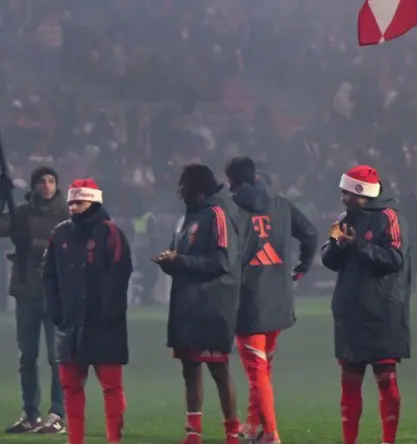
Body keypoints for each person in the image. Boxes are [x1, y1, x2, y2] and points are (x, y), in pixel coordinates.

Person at [226, 157, 317, 444]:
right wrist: (302, 267)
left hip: (249, 304)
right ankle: (254, 425)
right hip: (278, 301)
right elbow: (311, 234)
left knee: (257, 372)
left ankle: (271, 434)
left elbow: (227, 258)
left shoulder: (232, 210)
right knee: (264, 369)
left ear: (232, 182)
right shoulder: (280, 203)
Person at [321, 165, 411, 444]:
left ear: (361, 192)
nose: (342, 196)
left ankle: (388, 440)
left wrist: (357, 244)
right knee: (349, 379)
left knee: (385, 378)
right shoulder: (342, 218)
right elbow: (328, 259)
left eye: (346, 191)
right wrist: (338, 245)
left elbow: (394, 259)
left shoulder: (390, 217)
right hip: (349, 310)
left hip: (382, 310)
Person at [153, 164, 242, 444]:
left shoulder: (217, 215)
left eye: (184, 184)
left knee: (218, 369)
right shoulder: (185, 220)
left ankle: (232, 431)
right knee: (190, 368)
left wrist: (179, 261)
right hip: (186, 305)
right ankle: (193, 434)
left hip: (210, 305)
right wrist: (169, 263)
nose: (179, 190)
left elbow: (222, 262)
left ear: (198, 186)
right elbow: (180, 260)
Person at [41, 180, 131, 444]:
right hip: (69, 325)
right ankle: (75, 440)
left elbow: (120, 273)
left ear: (94, 201)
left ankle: (114, 439)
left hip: (104, 326)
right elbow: (48, 276)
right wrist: (56, 311)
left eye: (79, 202)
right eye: (71, 202)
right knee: (71, 389)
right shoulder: (59, 235)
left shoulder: (111, 233)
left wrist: (109, 312)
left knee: (112, 388)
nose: (74, 206)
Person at [1, 165, 68, 434]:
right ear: (34, 185)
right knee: (27, 357)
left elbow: (64, 246)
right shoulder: (22, 213)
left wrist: (32, 244)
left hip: (55, 292)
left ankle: (57, 413)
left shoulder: (65, 213)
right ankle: (30, 413)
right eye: (42, 181)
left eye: (51, 180)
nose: (47, 185)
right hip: (27, 289)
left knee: (56, 357)